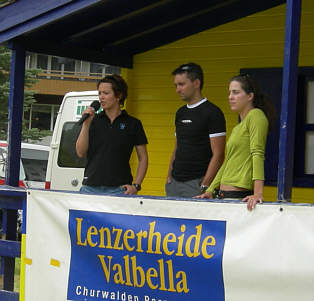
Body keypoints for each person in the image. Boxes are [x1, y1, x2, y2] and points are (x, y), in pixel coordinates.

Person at [196, 74, 275, 210]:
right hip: (223, 195)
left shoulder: (256, 116)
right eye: (229, 93)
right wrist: (210, 190)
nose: (230, 97)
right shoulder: (238, 127)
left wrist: (258, 193)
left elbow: (258, 154)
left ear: (250, 96)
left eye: (236, 92)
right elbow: (228, 162)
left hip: (239, 194)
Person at [76, 74, 148, 195]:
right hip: (90, 188)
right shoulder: (93, 120)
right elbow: (80, 152)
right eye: (99, 93)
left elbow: (143, 158)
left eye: (106, 93)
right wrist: (86, 124)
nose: (101, 97)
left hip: (119, 189)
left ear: (118, 95)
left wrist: (136, 185)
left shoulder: (133, 123)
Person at [166, 63, 226, 198]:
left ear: (196, 83)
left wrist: (205, 185)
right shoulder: (180, 112)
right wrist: (169, 176)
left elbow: (219, 154)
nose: (177, 89)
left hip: (197, 184)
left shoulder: (213, 112)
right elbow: (177, 146)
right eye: (176, 85)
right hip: (174, 183)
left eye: (181, 84)